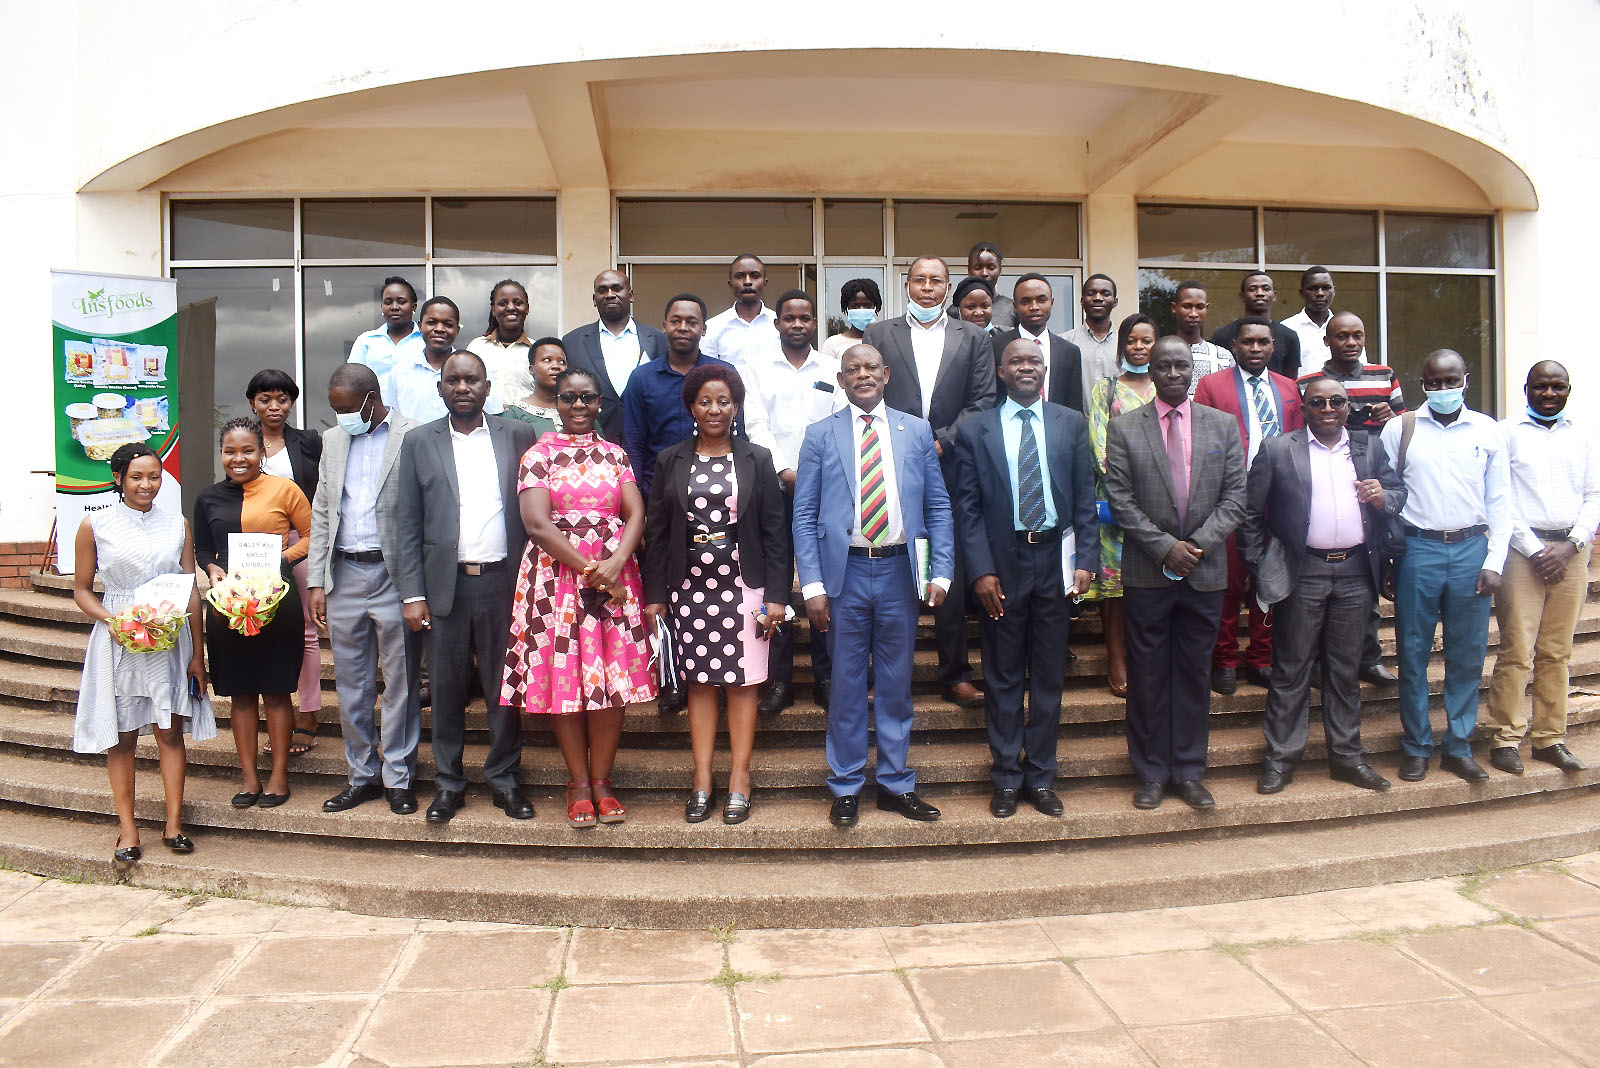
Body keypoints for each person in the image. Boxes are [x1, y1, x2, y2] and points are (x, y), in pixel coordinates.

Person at [793, 344, 954, 826]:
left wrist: (940, 571)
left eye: (870, 369)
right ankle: (845, 786)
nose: (862, 376)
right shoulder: (819, 434)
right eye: (851, 370)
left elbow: (938, 507)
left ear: (885, 375)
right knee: (844, 685)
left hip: (899, 572)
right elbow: (803, 515)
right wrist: (812, 585)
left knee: (895, 683)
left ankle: (895, 783)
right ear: (840, 380)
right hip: (843, 576)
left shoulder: (916, 430)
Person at [503, 368, 656, 827]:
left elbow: (635, 514)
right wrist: (590, 568)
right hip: (556, 580)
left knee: (611, 683)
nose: (578, 405)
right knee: (565, 677)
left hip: (614, 579)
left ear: (599, 403)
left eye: (587, 397)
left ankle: (604, 782)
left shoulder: (616, 455)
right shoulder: (538, 455)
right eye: (568, 397)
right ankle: (579, 784)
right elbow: (536, 524)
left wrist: (613, 565)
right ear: (556, 403)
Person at [953, 339, 1097, 819]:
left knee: (1050, 678)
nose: (1026, 368)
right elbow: (967, 509)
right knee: (1003, 676)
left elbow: (1083, 499)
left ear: (1044, 369)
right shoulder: (976, 428)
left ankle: (1041, 777)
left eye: (1034, 361)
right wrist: (982, 570)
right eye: (1016, 361)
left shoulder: (1070, 423)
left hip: (1056, 561)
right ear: (1000, 371)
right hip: (1004, 565)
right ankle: (1006, 779)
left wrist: (1086, 561)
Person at [1239, 377, 1402, 794]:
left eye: (1336, 401)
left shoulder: (1370, 447)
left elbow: (1399, 494)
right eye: (1317, 402)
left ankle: (1347, 758)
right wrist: (1262, 569)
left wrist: (1385, 495)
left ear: (1349, 406)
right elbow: (1250, 517)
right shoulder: (1278, 450)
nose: (1327, 408)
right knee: (1291, 669)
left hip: (1355, 572)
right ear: (1304, 407)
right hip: (1303, 572)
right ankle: (1280, 760)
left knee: (1344, 672)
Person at [394, 352, 538, 822]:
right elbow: (407, 522)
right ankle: (449, 784)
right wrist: (413, 595)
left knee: (504, 688)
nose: (462, 387)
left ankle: (504, 779)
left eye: (471, 379)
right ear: (440, 389)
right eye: (452, 380)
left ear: (487, 387)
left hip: (504, 582)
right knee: (449, 689)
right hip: (444, 586)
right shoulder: (418, 441)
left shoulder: (517, 435)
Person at [1104, 337, 1246, 810]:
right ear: (1151, 369)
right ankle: (1149, 772)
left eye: (1180, 366)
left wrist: (1197, 547)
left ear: (1193, 371)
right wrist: (1166, 549)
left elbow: (1235, 498)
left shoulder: (1223, 426)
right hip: (1148, 572)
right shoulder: (1124, 427)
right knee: (1147, 676)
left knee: (1191, 674)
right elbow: (1120, 500)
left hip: (1205, 574)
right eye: (1162, 366)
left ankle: (1187, 770)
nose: (1171, 373)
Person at [645, 364, 789, 824]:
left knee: (744, 684)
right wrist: (655, 594)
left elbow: (774, 532)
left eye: (723, 401)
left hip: (746, 586)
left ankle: (740, 780)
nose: (714, 409)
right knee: (700, 684)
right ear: (691, 406)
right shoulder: (670, 459)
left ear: (736, 407)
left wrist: (778, 597)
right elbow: (658, 530)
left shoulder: (757, 459)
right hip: (689, 588)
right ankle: (702, 779)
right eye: (705, 401)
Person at [864, 255, 996, 709]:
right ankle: (885, 675)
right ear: (906, 285)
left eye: (935, 281)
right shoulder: (880, 334)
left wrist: (939, 442)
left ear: (946, 287)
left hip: (954, 466)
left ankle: (954, 673)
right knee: (891, 570)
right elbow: (870, 391)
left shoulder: (975, 337)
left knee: (951, 573)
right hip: (887, 466)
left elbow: (982, 402)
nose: (926, 288)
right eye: (918, 280)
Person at [72, 443, 214, 862]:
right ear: (118, 479)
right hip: (120, 638)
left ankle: (174, 825)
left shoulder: (177, 524)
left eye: (154, 476)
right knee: (122, 737)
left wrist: (197, 654)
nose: (146, 485)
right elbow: (81, 590)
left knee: (169, 732)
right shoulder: (94, 526)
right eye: (136, 477)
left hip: (169, 638)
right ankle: (128, 830)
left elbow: (190, 589)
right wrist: (112, 621)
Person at [1381, 349, 1510, 783]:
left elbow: (1501, 501)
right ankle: (1417, 746)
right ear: (1422, 383)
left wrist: (1495, 560)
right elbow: (1389, 494)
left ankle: (1458, 745)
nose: (1442, 390)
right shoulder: (1400, 429)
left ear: (1466, 380)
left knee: (1467, 654)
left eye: (1450, 381)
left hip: (1472, 548)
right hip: (1419, 551)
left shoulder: (1488, 431)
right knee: (1413, 653)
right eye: (1433, 382)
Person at [305, 365, 423, 816]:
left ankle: (398, 777)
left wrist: (417, 588)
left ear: (371, 399)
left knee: (401, 683)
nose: (340, 418)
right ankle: (361, 777)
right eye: (334, 411)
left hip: (395, 576)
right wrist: (317, 579)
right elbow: (321, 512)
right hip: (345, 575)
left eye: (347, 409)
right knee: (353, 687)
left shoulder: (412, 436)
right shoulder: (334, 441)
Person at [193, 417, 312, 809]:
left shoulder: (285, 489)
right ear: (221, 454)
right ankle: (249, 778)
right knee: (240, 694)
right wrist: (211, 569)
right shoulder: (208, 498)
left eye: (247, 450)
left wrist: (282, 559)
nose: (238, 458)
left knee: (277, 692)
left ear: (262, 452)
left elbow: (313, 535)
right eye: (230, 451)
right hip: (228, 605)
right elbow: (205, 548)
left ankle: (278, 776)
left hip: (277, 601)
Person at [1486, 361, 1598, 775]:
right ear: (1526, 388)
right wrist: (1536, 551)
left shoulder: (1584, 434)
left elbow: (1595, 493)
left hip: (1572, 550)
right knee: (1517, 649)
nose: (1549, 393)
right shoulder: (1506, 432)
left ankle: (1550, 738)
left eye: (1557, 386)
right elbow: (1500, 497)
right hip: (1522, 552)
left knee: (1557, 652)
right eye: (1541, 386)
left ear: (1569, 389)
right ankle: (1505, 736)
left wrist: (1572, 545)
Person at [1192, 317, 1304, 694]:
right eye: (1248, 342)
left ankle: (1260, 658)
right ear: (1234, 347)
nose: (1255, 349)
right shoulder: (1211, 386)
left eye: (1263, 342)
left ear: (1273, 346)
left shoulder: (1290, 389)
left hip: (1277, 502)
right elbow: (1200, 439)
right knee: (1227, 584)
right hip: (1229, 500)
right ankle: (1223, 661)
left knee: (1268, 582)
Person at [745, 290, 844, 714]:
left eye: (806, 317)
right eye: (790, 318)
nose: (798, 324)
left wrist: (816, 479)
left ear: (814, 324)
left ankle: (826, 676)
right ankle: (779, 679)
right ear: (777, 323)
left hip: (829, 490)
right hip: (774, 487)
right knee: (778, 581)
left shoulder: (834, 369)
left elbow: (843, 422)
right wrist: (785, 471)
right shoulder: (755, 369)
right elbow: (754, 424)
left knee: (827, 581)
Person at [1297, 311, 1404, 685]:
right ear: (1327, 340)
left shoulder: (1383, 375)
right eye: (1341, 336)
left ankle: (1369, 657)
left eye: (1357, 335)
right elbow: (1301, 427)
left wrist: (1389, 415)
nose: (1350, 342)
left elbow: (1403, 426)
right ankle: (1318, 660)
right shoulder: (1308, 380)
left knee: (1366, 571)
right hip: (1324, 476)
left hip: (1370, 478)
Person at [247, 368, 323, 756]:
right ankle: (278, 711)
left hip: (300, 542)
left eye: (282, 399)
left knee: (307, 630)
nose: (274, 407)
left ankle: (309, 712)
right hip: (252, 549)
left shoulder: (308, 441)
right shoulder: (244, 442)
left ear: (292, 403)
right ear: (253, 404)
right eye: (265, 399)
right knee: (262, 625)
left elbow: (322, 491)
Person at [1083, 314, 1160, 697]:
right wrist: (1132, 488)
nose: (1139, 347)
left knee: (1152, 587)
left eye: (1147, 341)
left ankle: (1147, 660)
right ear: (1122, 345)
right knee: (1114, 591)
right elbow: (1099, 446)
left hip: (1161, 510)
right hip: (1115, 504)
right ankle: (1117, 660)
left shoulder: (1168, 389)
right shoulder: (1106, 389)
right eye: (1132, 340)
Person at [621, 294, 743, 496]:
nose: (683, 327)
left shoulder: (724, 374)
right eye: (675, 321)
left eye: (692, 322)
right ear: (664, 326)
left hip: (717, 492)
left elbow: (739, 434)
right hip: (658, 493)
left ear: (704, 329)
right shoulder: (642, 378)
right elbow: (633, 443)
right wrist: (636, 504)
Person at [561, 270, 670, 443]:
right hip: (591, 446)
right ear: (594, 299)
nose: (609, 295)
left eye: (617, 288)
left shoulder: (658, 339)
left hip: (648, 442)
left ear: (631, 295)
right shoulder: (572, 342)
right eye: (602, 290)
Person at [385, 296, 504, 422]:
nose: (439, 329)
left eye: (448, 324)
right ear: (420, 326)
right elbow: (392, 420)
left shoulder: (477, 370)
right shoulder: (400, 371)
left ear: (457, 330)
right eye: (431, 322)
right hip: (413, 442)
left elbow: (493, 416)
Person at [989, 273, 1085, 412]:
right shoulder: (995, 346)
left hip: (1056, 430)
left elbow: (1074, 406)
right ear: (1015, 306)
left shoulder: (1069, 352)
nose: (1034, 307)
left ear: (1051, 302)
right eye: (1026, 301)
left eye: (1041, 300)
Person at [1210, 272, 1301, 378]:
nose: (1260, 293)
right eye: (1253, 289)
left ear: (1274, 296)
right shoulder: (1222, 335)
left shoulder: (1289, 336)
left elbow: (1291, 382)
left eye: (1266, 288)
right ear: (1242, 296)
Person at [466, 278, 538, 410]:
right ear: (493, 310)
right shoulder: (477, 347)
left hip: (526, 426)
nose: (510, 307)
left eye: (517, 302)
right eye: (503, 303)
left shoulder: (537, 351)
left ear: (527, 308)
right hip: (484, 426)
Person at [1281, 266, 1364, 365]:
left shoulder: (1349, 329)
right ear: (1301, 293)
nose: (1320, 293)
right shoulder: (1287, 328)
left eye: (1326, 288)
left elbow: (1361, 366)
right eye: (1313, 288)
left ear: (1334, 291)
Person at [348, 276, 422, 383]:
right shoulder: (366, 340)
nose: (394, 307)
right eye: (388, 302)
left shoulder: (426, 341)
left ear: (414, 306)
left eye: (401, 302)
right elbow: (352, 381)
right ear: (382, 306)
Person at [1171, 281, 1234, 395]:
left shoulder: (1223, 357)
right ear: (1174, 307)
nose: (1194, 313)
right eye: (1187, 306)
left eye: (1199, 307)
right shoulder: (1159, 353)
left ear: (1207, 308)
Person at [1063, 273, 1121, 397]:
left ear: (1115, 302)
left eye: (1105, 294)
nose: (1098, 298)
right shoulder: (1064, 342)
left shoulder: (1126, 343)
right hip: (1077, 416)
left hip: (1119, 416)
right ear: (1082, 301)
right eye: (1091, 293)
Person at [501, 336, 566, 436]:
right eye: (547, 360)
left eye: (562, 362)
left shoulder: (578, 408)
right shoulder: (515, 414)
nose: (556, 366)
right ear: (531, 369)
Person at [821, 278, 882, 361]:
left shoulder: (885, 340)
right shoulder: (832, 344)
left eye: (867, 305)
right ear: (847, 308)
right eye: (855, 306)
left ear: (875, 307)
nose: (861, 310)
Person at [965, 241, 1017, 330]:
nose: (984, 273)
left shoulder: (1012, 308)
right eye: (978, 268)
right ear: (969, 271)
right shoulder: (956, 310)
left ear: (1000, 270)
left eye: (991, 268)